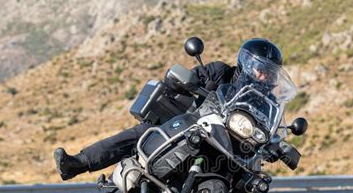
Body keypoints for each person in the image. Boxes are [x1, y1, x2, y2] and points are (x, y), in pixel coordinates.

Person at [53, 38, 284, 181]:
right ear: (247, 63)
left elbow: (270, 128)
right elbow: (191, 78)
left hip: (227, 148)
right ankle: (78, 163)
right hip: (191, 124)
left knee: (250, 179)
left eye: (269, 71)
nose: (263, 75)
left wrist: (278, 145)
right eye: (260, 68)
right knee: (144, 133)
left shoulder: (268, 102)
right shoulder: (221, 72)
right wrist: (188, 81)